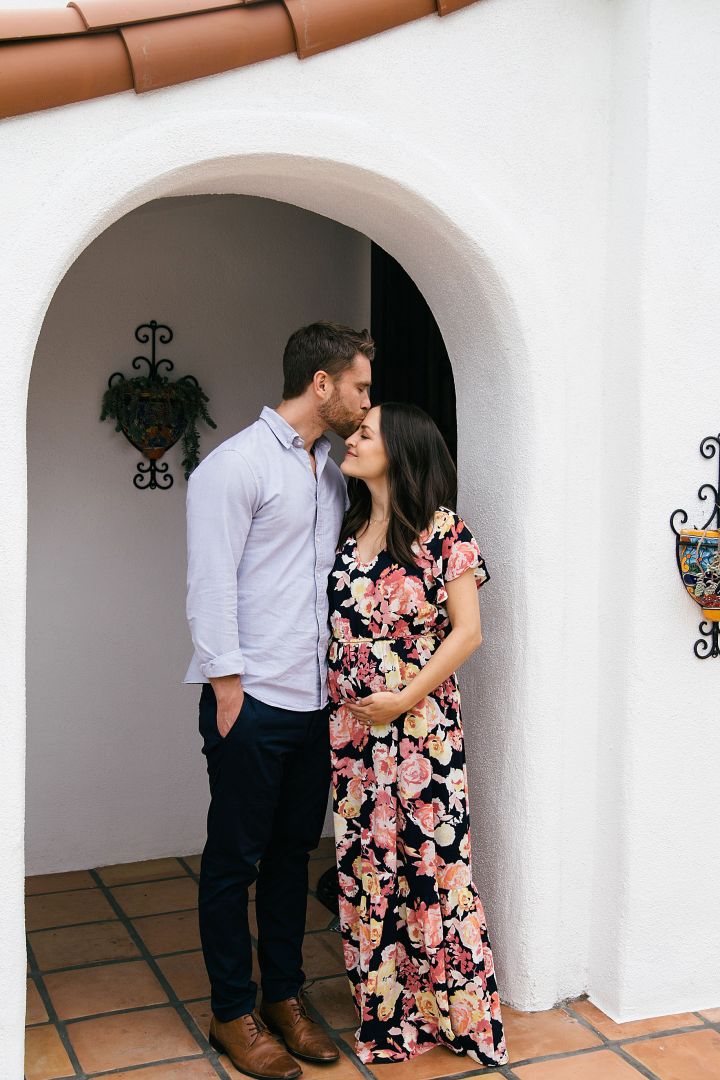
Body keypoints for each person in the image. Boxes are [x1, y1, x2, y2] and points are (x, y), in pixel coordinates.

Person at [184, 322, 373, 1079]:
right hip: (253, 699)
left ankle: (284, 999)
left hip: (314, 702)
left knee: (293, 856)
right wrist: (227, 687)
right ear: (321, 384)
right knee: (235, 860)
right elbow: (210, 582)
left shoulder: (332, 472)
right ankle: (232, 1012)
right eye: (360, 386)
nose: (367, 402)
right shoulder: (234, 467)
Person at [327, 402, 508, 1066]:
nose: (351, 440)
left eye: (365, 433)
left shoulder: (443, 531)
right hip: (353, 740)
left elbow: (469, 631)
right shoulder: (349, 528)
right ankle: (388, 1016)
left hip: (421, 735)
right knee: (368, 870)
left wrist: (403, 697)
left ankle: (454, 1017)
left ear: (399, 452)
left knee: (432, 867)